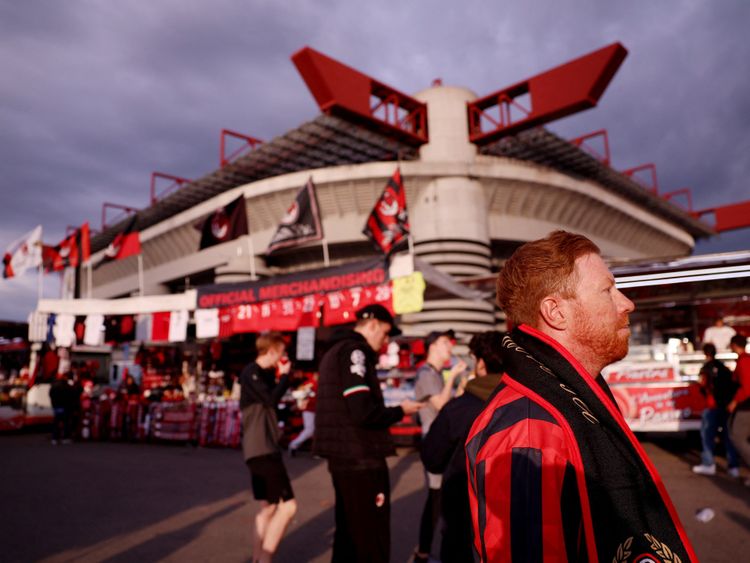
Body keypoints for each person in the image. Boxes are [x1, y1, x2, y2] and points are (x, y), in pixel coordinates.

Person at [466, 230, 697, 562]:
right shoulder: (529, 431)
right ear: (556, 312)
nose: (627, 303)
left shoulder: (577, 395)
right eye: (607, 290)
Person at [313, 304, 423, 563]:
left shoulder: (334, 350)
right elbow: (362, 410)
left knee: (349, 535)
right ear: (372, 325)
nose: (385, 342)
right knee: (370, 539)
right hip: (361, 457)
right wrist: (399, 410)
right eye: (385, 334)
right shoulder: (355, 352)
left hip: (341, 456)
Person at [421, 331, 504, 563]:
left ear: (480, 363)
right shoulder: (526, 404)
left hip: (463, 516)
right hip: (512, 523)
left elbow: (432, 459)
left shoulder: (458, 409)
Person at [239, 331, 297, 563]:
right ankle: (264, 559)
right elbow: (271, 399)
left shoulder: (260, 374)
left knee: (269, 507)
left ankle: (257, 559)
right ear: (271, 350)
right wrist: (284, 377)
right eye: (280, 354)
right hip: (262, 448)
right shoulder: (251, 373)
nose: (281, 359)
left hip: (260, 447)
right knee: (288, 507)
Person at [413, 330, 466, 563]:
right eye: (445, 342)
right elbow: (442, 405)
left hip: (441, 440)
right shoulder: (426, 373)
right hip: (435, 442)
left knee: (440, 499)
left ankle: (425, 552)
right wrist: (453, 376)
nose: (449, 348)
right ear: (432, 346)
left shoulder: (435, 373)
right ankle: (423, 553)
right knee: (436, 500)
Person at [692, 343, 740, 477]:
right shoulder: (723, 367)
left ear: (705, 353)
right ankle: (733, 467)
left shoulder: (706, 368)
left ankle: (709, 464)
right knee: (728, 437)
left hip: (711, 406)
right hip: (725, 406)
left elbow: (703, 384)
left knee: (707, 436)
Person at [727, 334, 750, 486]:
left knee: (737, 436)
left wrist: (735, 401)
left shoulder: (744, 361)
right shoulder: (745, 359)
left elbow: (747, 387)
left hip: (746, 406)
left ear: (734, 345)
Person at [288, 372, 317, 456]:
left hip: (317, 410)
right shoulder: (308, 384)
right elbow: (299, 397)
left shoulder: (319, 383)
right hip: (309, 410)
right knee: (309, 430)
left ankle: (316, 451)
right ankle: (293, 445)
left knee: (317, 431)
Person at [49, 373, 75, 445]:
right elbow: (71, 397)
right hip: (65, 407)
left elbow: (51, 396)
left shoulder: (54, 386)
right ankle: (65, 438)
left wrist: (54, 405)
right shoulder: (67, 387)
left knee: (56, 423)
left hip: (57, 407)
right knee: (66, 423)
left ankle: (54, 438)